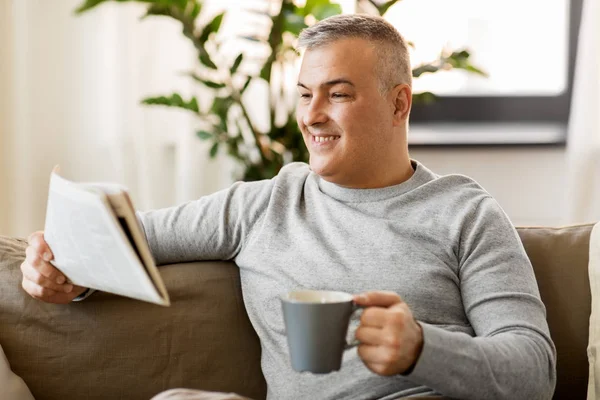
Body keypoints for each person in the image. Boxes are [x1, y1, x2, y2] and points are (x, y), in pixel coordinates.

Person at [20, 14, 556, 400]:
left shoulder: (465, 213)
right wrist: (58, 267)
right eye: (305, 94)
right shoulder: (264, 204)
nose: (312, 115)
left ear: (399, 103)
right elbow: (122, 236)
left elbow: (534, 370)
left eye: (338, 94)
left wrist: (422, 349)